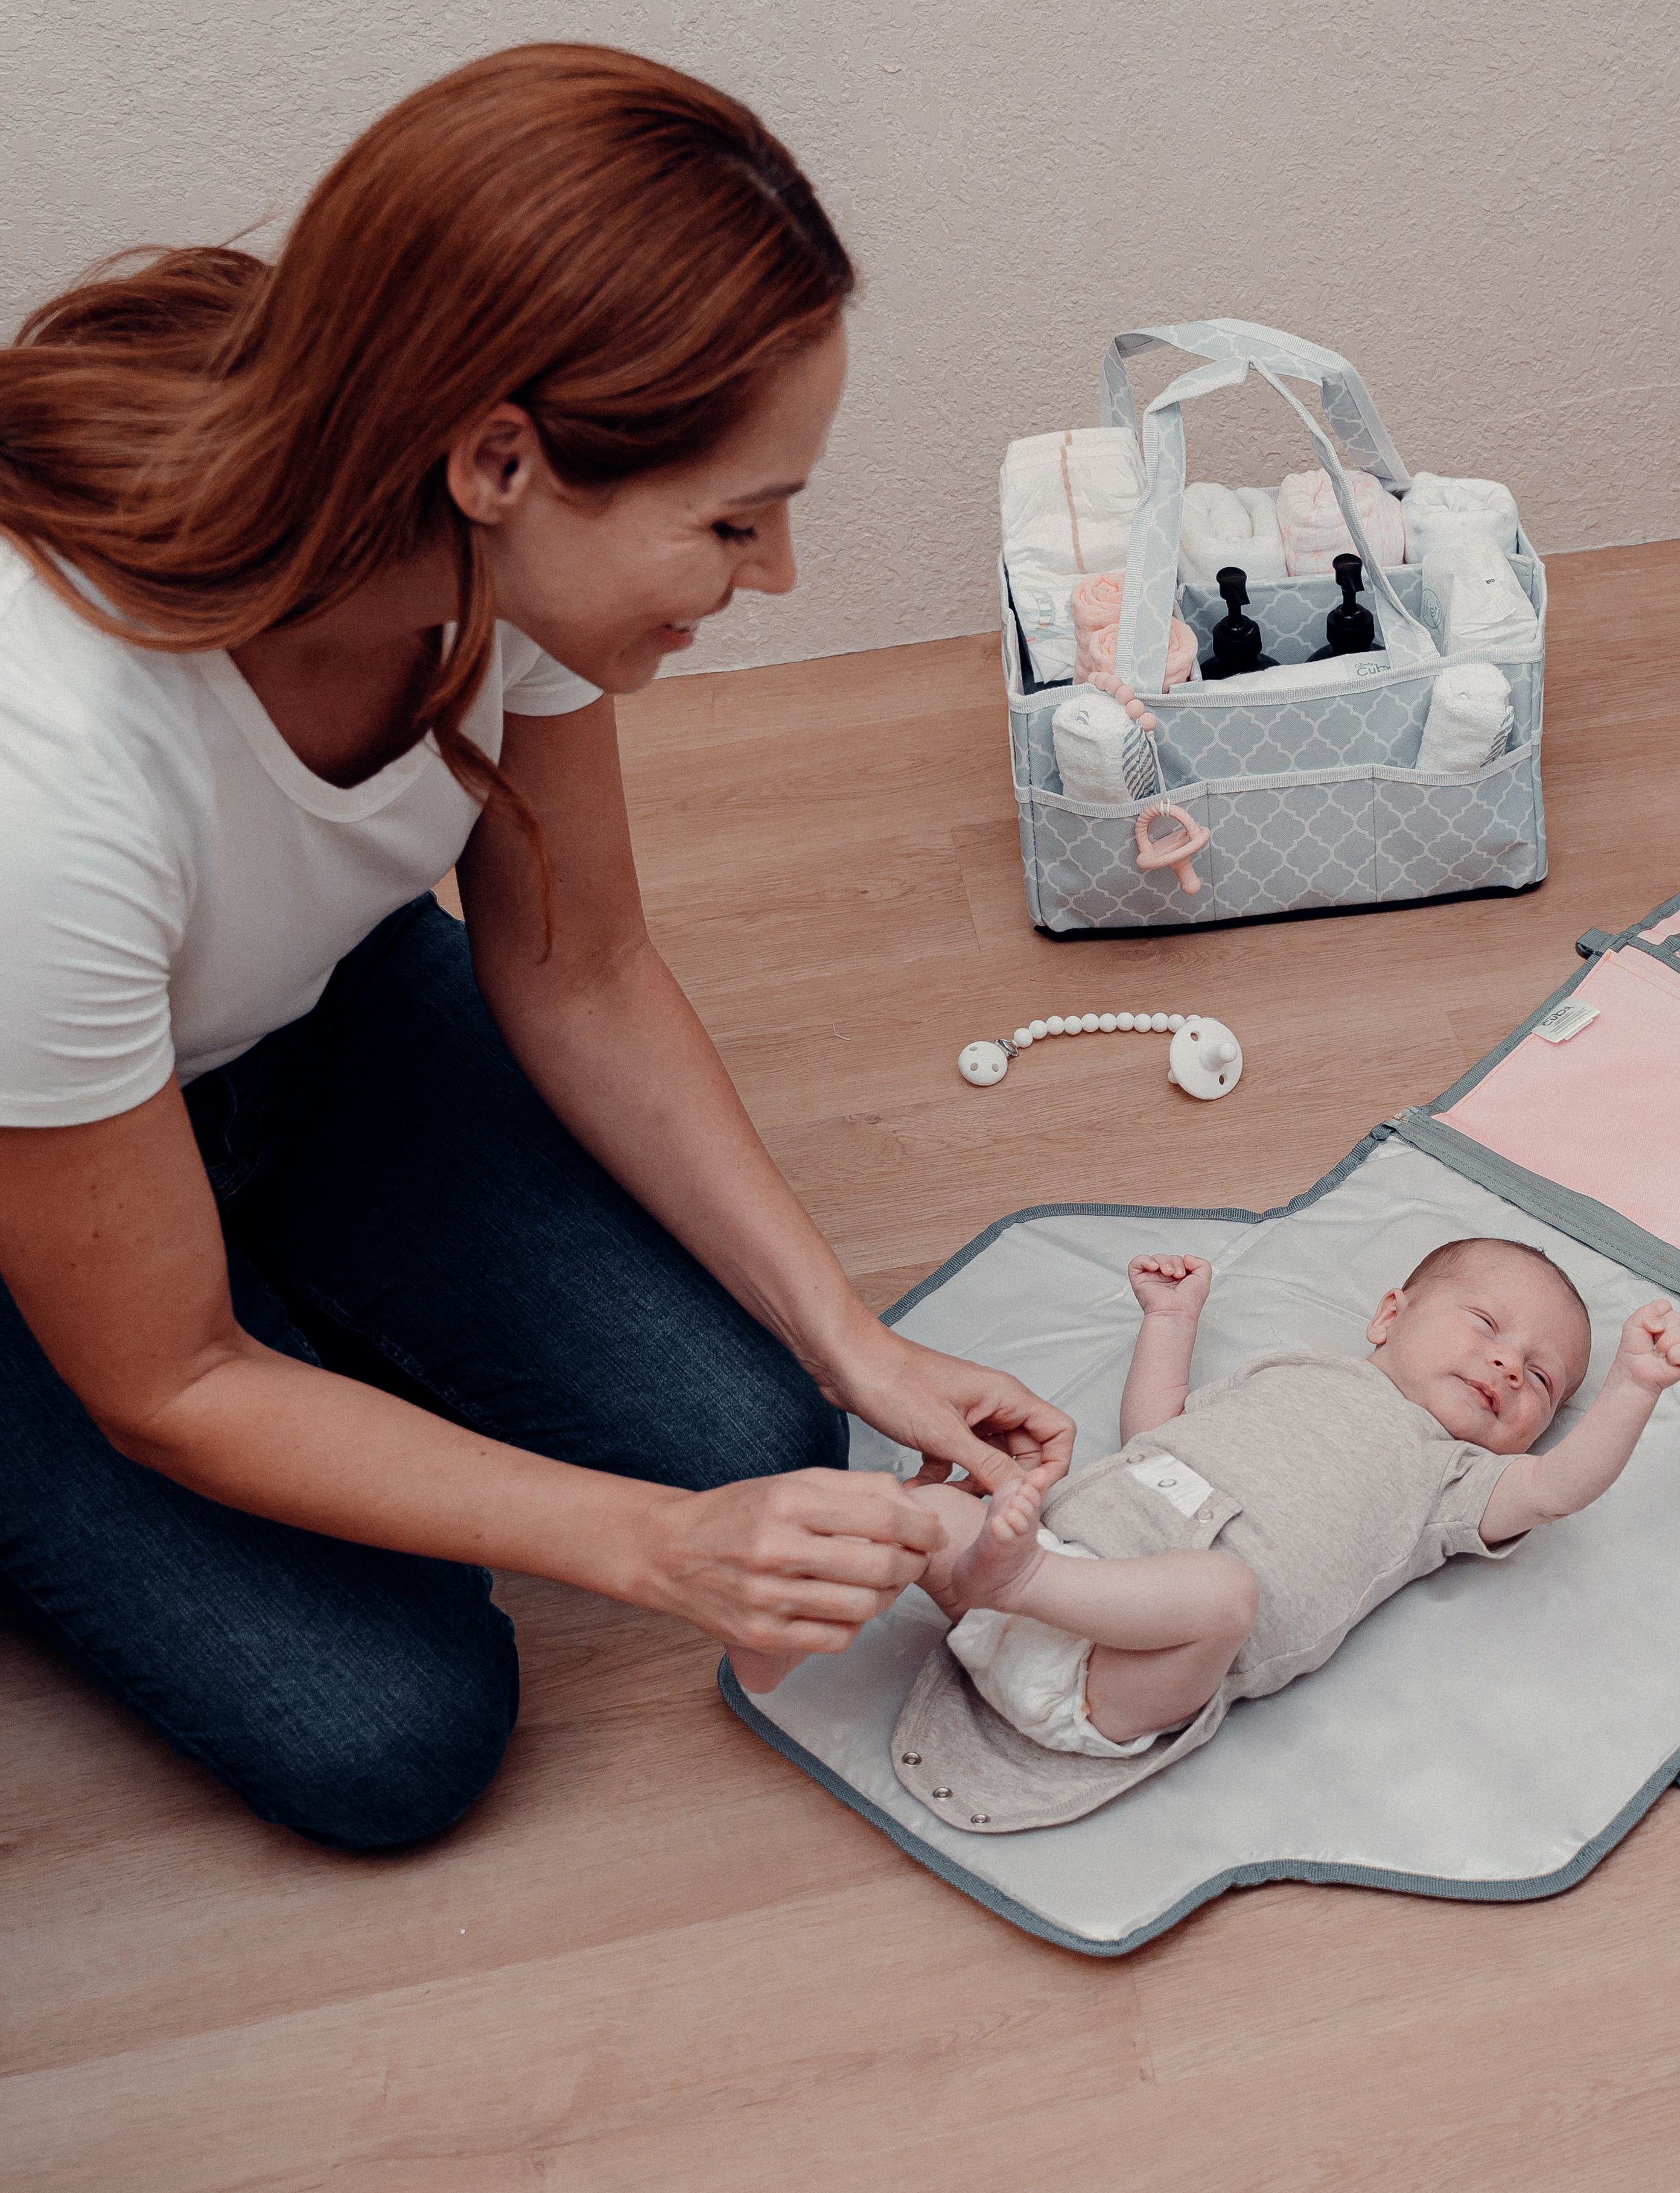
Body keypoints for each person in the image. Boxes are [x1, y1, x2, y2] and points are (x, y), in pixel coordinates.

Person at [0, 45, 1071, 1851]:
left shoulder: (479, 559)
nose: (774, 575)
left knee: (753, 1428)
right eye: (732, 522)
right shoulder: (51, 788)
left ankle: (290, 1287)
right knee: (391, 1734)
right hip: (33, 1162)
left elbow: (581, 970)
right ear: (498, 459)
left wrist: (851, 1341)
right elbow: (169, 1380)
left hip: (289, 1022)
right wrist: (656, 1548)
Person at [862, 1237, 1680, 1834]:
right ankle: (838, 1580)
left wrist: (1634, 1388)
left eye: (1541, 1380)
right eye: (1485, 1323)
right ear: (1389, 1315)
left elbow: (1556, 1489)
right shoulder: (1289, 1372)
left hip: (1116, 1683)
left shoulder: (1454, 1478)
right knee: (929, 1512)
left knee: (1223, 1594)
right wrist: (1170, 1322)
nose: (1509, 1366)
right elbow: (1155, 1431)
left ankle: (1020, 1582)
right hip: (1049, 1565)